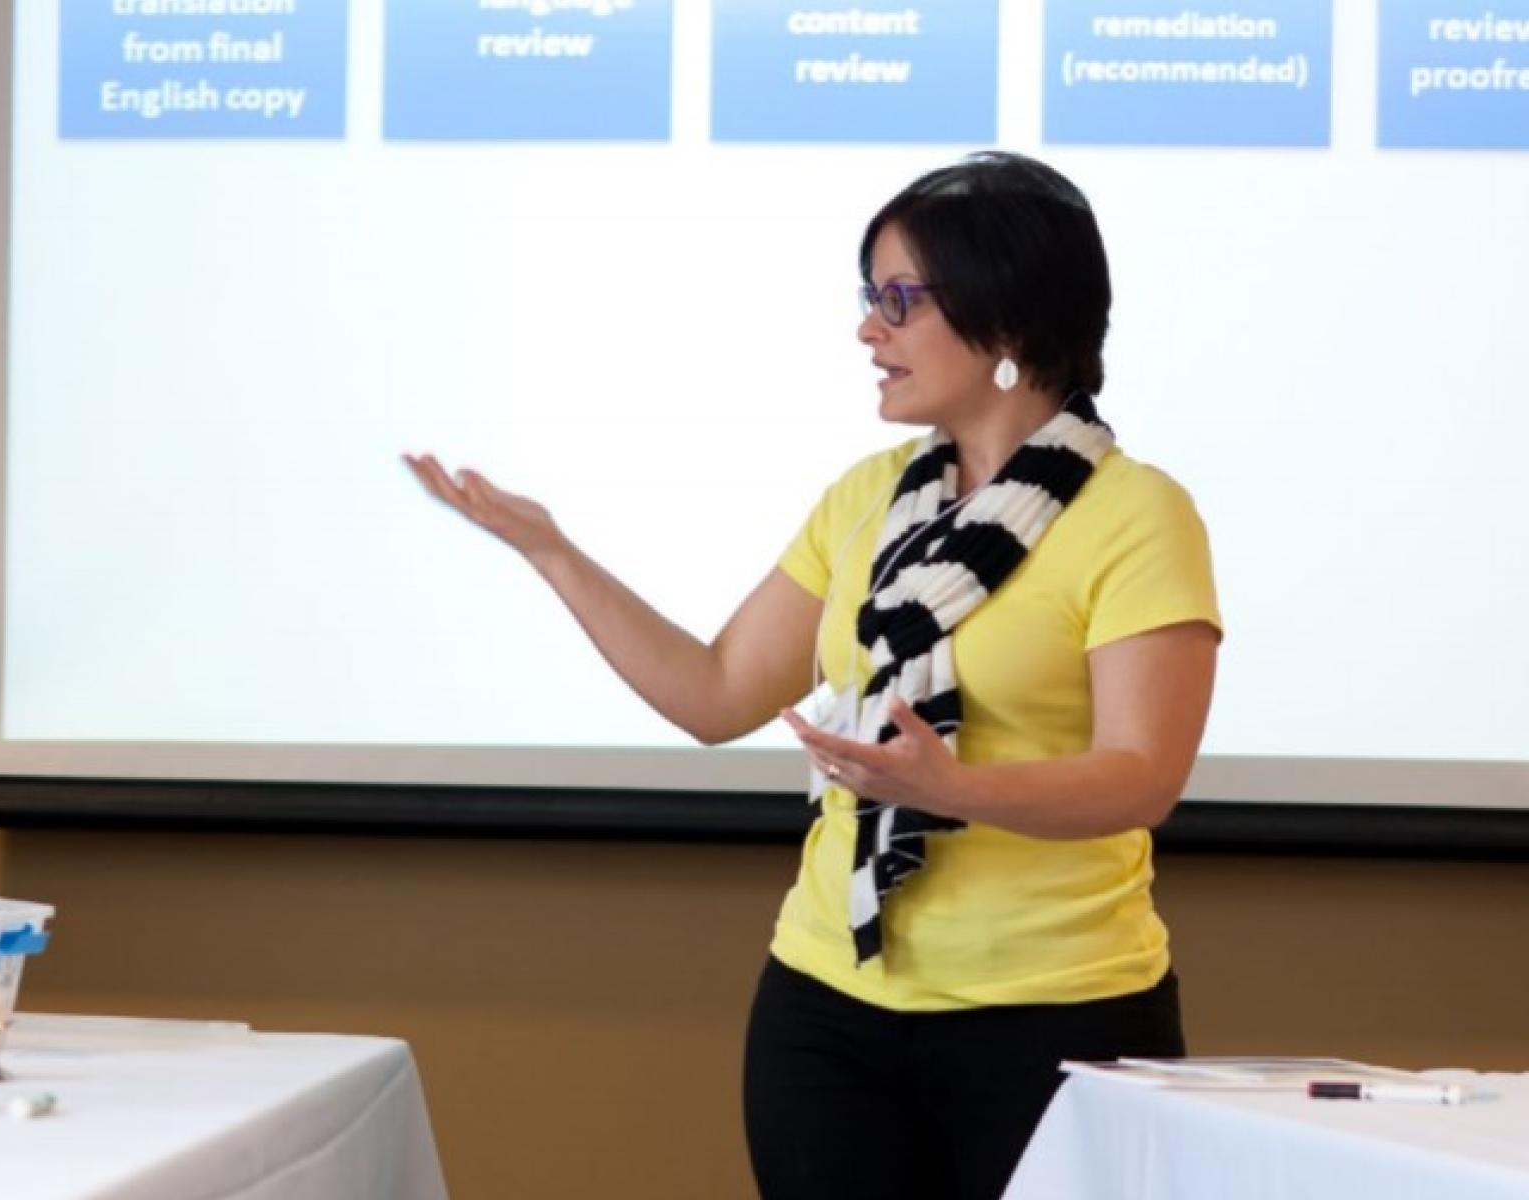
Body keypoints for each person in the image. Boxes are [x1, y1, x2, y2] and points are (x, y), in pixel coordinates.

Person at [404, 150, 1220, 1200]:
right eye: (868, 298)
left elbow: (1142, 776)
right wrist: (553, 552)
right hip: (828, 1010)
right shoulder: (869, 499)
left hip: (1059, 1018)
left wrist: (949, 789)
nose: (868, 331)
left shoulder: (1136, 514)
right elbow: (715, 693)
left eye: (898, 300)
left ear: (1007, 320)